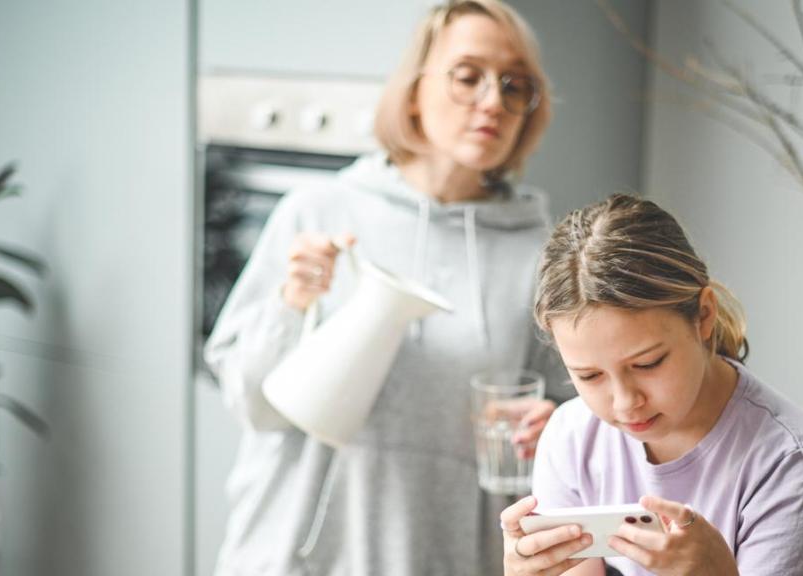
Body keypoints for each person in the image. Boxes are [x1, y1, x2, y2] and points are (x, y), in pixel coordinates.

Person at [204, 1, 573, 574]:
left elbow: (574, 413)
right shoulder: (318, 213)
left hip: (448, 558)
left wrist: (555, 423)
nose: (492, 102)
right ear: (412, 90)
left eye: (513, 86)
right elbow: (251, 404)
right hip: (296, 557)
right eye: (467, 75)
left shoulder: (542, 256)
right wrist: (291, 306)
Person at [499, 194, 803, 576]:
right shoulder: (571, 437)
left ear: (703, 315)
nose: (624, 403)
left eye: (647, 363)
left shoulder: (790, 465)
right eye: (589, 376)